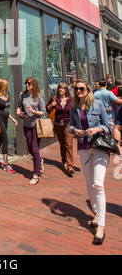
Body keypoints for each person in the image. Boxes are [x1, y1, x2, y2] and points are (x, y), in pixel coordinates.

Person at [70, 79, 110, 245]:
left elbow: (107, 126)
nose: (78, 91)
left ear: (87, 90)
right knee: (89, 183)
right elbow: (71, 126)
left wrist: (98, 128)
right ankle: (96, 213)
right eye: (76, 89)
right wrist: (75, 130)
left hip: (99, 147)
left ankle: (101, 226)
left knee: (97, 184)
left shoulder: (98, 104)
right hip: (83, 147)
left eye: (81, 88)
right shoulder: (74, 107)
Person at [16, 77, 46, 185]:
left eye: (29, 83)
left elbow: (43, 112)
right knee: (29, 147)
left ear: (34, 84)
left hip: (36, 125)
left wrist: (33, 111)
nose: (27, 85)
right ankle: (40, 160)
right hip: (26, 124)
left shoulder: (39, 97)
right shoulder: (22, 95)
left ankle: (36, 175)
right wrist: (19, 112)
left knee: (34, 148)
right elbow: (19, 107)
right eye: (26, 83)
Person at [46, 82, 74, 176]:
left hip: (68, 124)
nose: (60, 90)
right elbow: (47, 109)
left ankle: (70, 166)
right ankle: (64, 161)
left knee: (68, 144)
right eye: (59, 88)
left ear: (66, 90)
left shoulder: (71, 100)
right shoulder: (54, 99)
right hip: (58, 124)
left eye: (62, 88)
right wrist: (51, 105)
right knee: (62, 144)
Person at [0, 78, 18, 173]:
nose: (7, 86)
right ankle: (6, 164)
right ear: (2, 85)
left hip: (5, 121)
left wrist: (12, 119)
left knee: (0, 140)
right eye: (5, 84)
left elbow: (6, 110)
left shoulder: (6, 95)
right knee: (5, 141)